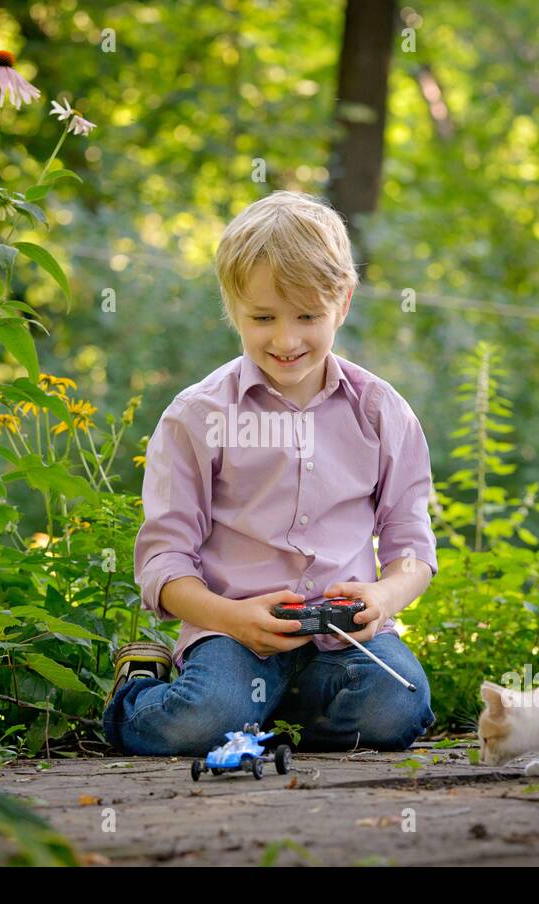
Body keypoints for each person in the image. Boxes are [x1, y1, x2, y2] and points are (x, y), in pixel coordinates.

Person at [103, 190, 438, 756]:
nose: (286, 340)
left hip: (341, 642)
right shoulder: (198, 415)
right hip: (233, 635)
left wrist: (382, 598)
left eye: (308, 316)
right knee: (197, 722)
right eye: (262, 318)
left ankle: (263, 725)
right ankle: (141, 690)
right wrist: (231, 617)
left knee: (397, 706)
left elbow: (413, 549)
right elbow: (163, 563)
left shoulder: (381, 411)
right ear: (231, 305)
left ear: (344, 302)